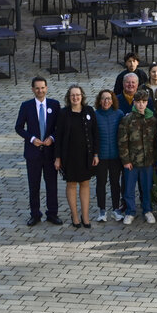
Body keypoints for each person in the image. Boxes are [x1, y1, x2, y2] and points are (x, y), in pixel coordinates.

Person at [16, 76, 62, 226]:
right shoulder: (26, 106)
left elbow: (59, 127)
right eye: (37, 88)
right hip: (33, 153)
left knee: (52, 185)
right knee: (33, 185)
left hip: (49, 153)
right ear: (32, 89)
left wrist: (53, 138)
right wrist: (31, 139)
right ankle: (35, 214)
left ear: (46, 88)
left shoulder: (54, 105)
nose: (40, 91)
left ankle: (52, 213)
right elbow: (19, 127)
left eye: (42, 88)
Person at [53, 85, 99, 229]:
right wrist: (58, 158)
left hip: (86, 154)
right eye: (72, 95)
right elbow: (58, 137)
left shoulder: (89, 111)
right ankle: (74, 216)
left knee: (85, 183)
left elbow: (95, 134)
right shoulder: (63, 113)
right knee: (71, 184)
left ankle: (85, 216)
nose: (75, 97)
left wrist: (96, 154)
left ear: (82, 96)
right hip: (69, 156)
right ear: (68, 97)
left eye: (78, 95)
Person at [118, 90, 157, 225]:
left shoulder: (152, 120)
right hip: (132, 161)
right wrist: (126, 160)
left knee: (146, 188)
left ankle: (147, 210)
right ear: (134, 102)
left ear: (147, 103)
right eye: (138, 102)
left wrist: (154, 160)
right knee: (129, 189)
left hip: (147, 161)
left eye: (143, 102)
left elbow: (155, 142)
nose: (141, 105)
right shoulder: (127, 120)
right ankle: (130, 211)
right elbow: (122, 142)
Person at [93, 89, 125, 223]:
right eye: (104, 99)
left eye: (109, 99)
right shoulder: (95, 115)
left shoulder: (119, 114)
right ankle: (102, 210)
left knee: (115, 183)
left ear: (113, 101)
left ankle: (116, 209)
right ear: (99, 101)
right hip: (101, 156)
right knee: (101, 183)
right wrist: (95, 154)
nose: (106, 101)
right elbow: (93, 136)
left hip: (115, 156)